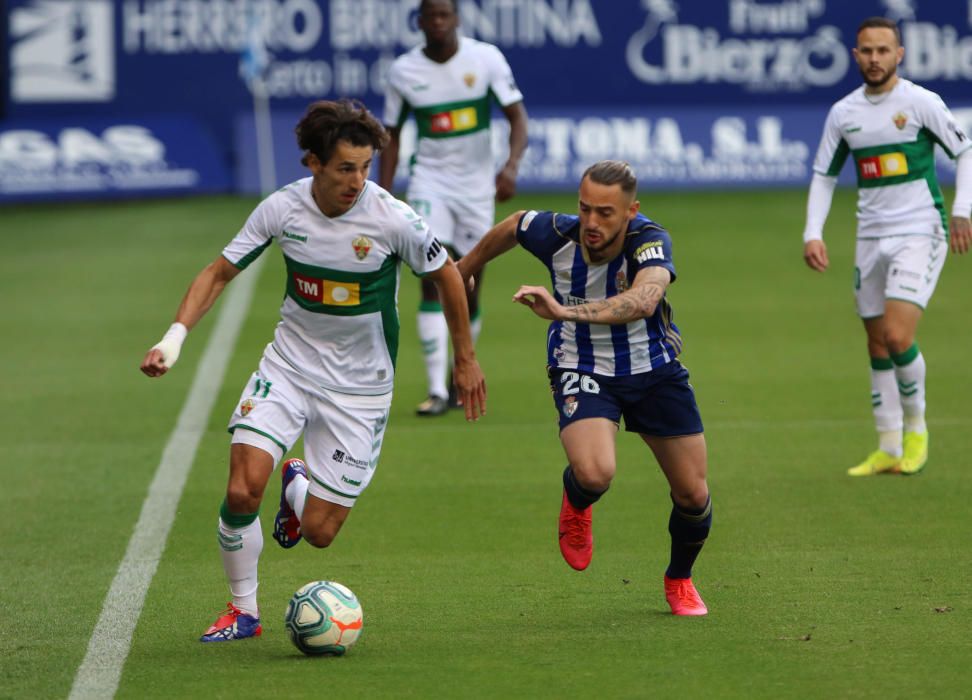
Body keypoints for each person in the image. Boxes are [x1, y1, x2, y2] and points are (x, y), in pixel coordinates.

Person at [140, 99, 486, 642]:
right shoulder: (281, 209)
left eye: (366, 167)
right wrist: (173, 338)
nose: (358, 180)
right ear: (313, 163)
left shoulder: (392, 218)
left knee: (320, 534)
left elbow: (447, 275)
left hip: (360, 389)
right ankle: (243, 611)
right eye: (346, 168)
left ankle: (298, 481)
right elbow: (218, 272)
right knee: (241, 492)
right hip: (290, 366)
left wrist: (463, 359)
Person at [457, 160, 712, 616]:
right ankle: (577, 500)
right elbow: (515, 224)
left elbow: (645, 299)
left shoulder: (650, 241)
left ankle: (679, 579)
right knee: (595, 473)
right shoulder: (556, 234)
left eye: (605, 213)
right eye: (585, 208)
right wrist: (468, 265)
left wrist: (564, 311)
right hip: (582, 365)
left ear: (631, 211)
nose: (591, 223)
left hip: (653, 369)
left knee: (693, 496)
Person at [802, 16, 972, 477]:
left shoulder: (919, 103)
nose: (874, 59)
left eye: (883, 50)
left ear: (899, 54)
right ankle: (888, 444)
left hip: (920, 230)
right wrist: (812, 232)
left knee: (898, 336)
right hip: (869, 235)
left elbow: (965, 151)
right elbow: (824, 174)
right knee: (876, 342)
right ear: (855, 55)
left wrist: (963, 210)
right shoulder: (844, 113)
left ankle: (917, 430)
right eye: (866, 51)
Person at [379, 0, 528, 416]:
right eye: (432, 16)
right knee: (432, 273)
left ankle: (457, 374)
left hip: (477, 188)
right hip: (430, 181)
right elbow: (389, 135)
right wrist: (383, 195)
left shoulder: (485, 60)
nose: (439, 22)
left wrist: (510, 167)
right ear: (420, 22)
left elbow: (517, 118)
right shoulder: (404, 71)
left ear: (457, 19)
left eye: (446, 15)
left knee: (469, 278)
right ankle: (436, 391)